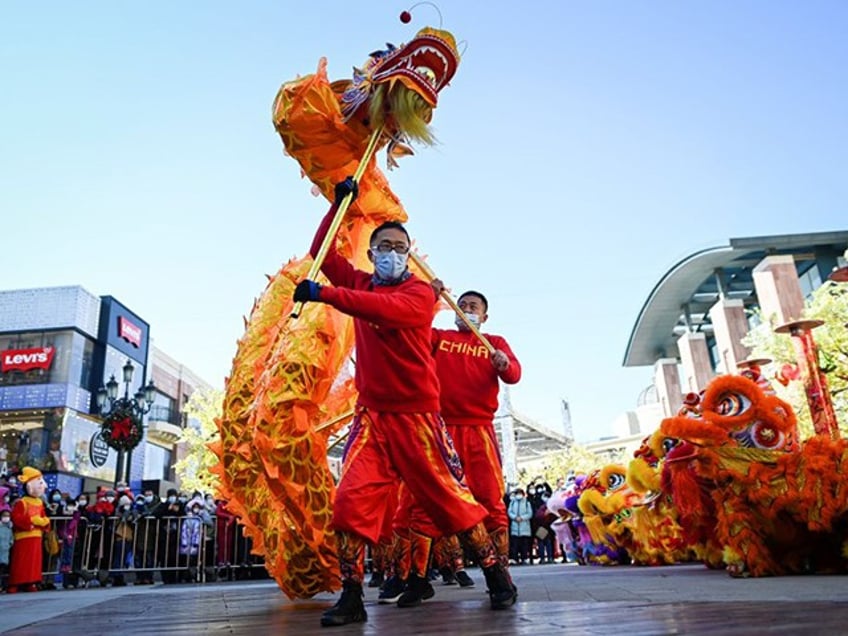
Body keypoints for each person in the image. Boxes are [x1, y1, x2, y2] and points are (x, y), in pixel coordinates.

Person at [294, 179, 517, 627]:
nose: (393, 252)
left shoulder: (419, 295)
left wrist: (324, 295)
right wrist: (339, 204)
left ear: (408, 254)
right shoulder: (360, 282)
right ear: (373, 253)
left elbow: (381, 311)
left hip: (419, 420)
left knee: (451, 501)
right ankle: (352, 595)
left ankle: (497, 577)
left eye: (400, 246)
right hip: (372, 417)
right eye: (385, 246)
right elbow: (321, 252)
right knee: (349, 503)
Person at [429, 289, 521, 581]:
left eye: (473, 306)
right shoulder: (439, 337)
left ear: (484, 316)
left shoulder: (493, 343)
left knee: (491, 498)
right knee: (440, 500)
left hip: (480, 430)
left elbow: (514, 374)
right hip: (442, 430)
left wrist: (503, 364)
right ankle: (450, 568)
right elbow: (410, 335)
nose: (466, 309)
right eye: (462, 305)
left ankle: (500, 572)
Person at [7, 466, 50, 593]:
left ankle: (31, 581)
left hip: (36, 536)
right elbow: (17, 518)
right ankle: (15, 582)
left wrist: (44, 522)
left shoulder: (40, 503)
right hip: (24, 536)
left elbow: (44, 517)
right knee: (20, 561)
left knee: (34, 562)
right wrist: (31, 522)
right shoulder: (22, 502)